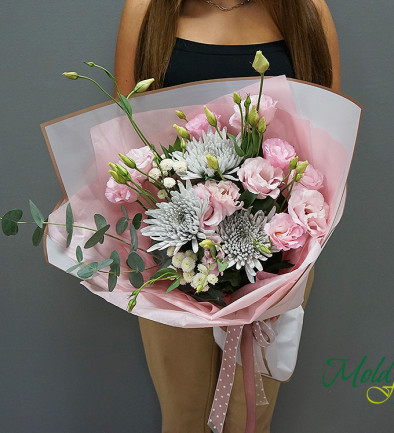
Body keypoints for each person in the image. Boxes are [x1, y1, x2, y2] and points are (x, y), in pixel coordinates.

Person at [114, 1, 340, 432]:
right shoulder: (146, 9)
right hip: (171, 253)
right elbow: (128, 141)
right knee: (184, 415)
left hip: (277, 252)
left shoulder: (308, 9)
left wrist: (289, 235)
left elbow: (329, 146)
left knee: (250, 417)